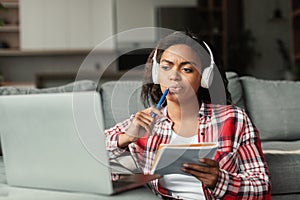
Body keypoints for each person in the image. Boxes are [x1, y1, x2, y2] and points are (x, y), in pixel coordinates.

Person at [105, 31, 271, 199]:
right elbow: (89, 155)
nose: (174, 76)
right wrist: (125, 138)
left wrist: (220, 180)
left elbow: (261, 186)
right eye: (166, 67)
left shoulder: (235, 119)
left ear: (204, 78)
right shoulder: (144, 122)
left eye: (186, 69)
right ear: (156, 73)